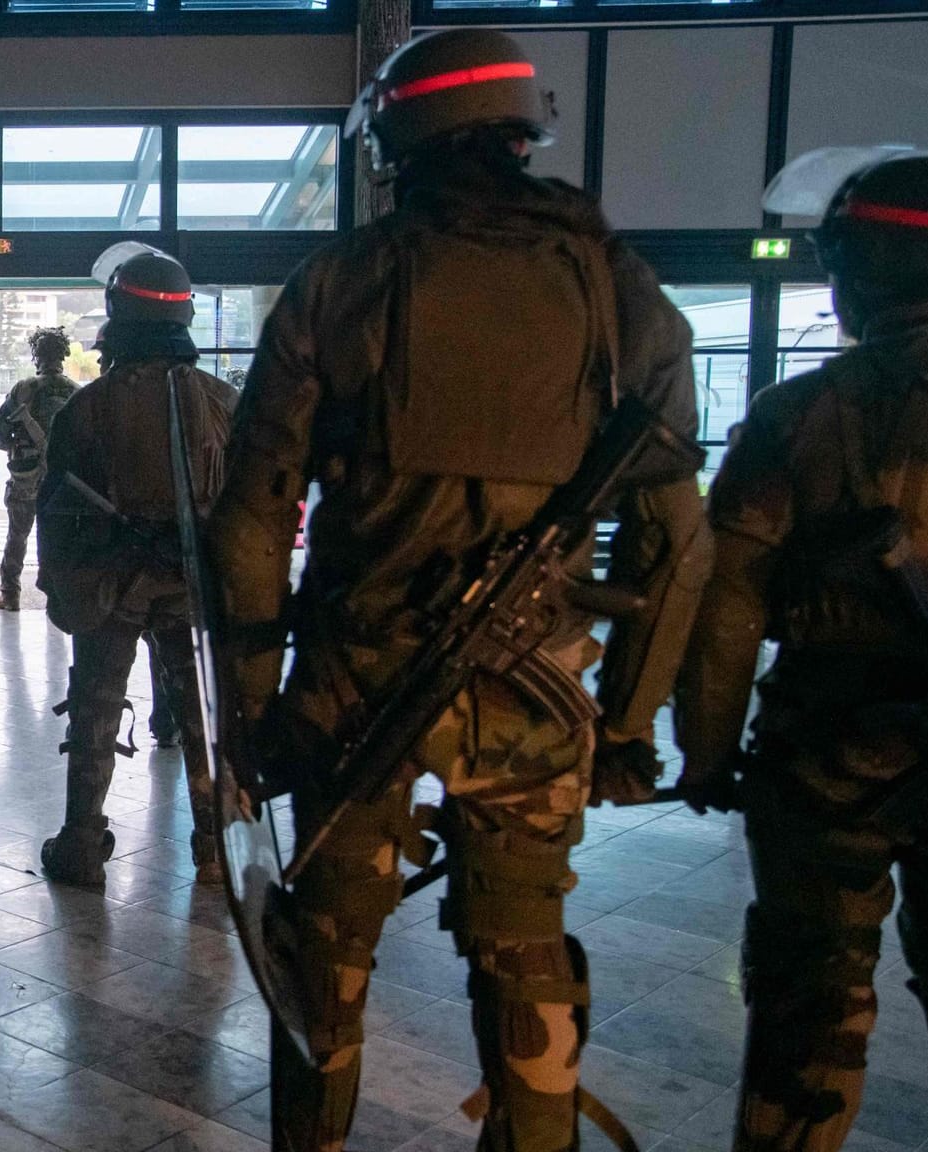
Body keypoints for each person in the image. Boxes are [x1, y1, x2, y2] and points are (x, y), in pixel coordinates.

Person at [207, 30, 709, 1150]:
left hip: (354, 690)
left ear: (395, 137)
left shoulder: (338, 283)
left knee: (321, 952)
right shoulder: (616, 289)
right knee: (526, 947)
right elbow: (677, 540)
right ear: (522, 127)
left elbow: (251, 518)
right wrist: (625, 722)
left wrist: (251, 709)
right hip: (536, 692)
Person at [676, 150, 928, 1150]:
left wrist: (703, 748)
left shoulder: (793, 413)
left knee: (805, 1009)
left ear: (855, 271)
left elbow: (726, 600)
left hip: (824, 751)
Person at [36, 248, 234, 887]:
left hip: (110, 583)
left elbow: (57, 509)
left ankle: (82, 841)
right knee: (202, 712)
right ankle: (215, 844)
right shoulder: (224, 402)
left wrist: (61, 585)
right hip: (193, 583)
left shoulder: (88, 408)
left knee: (94, 706)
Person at [0, 327, 79, 611]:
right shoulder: (75, 391)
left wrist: (15, 445)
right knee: (57, 537)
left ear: (36, 355)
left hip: (26, 476)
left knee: (17, 535)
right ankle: (58, 597)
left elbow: (3, 426)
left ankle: (10, 593)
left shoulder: (24, 387)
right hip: (62, 480)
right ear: (63, 354)